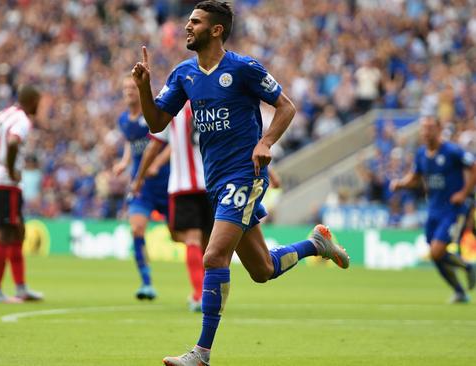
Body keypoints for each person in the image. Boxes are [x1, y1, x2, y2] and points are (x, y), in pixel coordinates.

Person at [130, 2, 350, 364]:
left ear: (216, 30)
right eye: (188, 21)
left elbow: (286, 107)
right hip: (215, 182)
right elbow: (156, 123)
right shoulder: (184, 73)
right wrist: (143, 88)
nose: (187, 27)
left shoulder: (243, 68)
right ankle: (315, 244)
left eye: (195, 22)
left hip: (245, 176)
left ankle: (200, 354)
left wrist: (265, 143)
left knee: (214, 255)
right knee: (262, 269)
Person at [132, 101, 210, 312]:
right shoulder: (213, 102)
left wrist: (139, 178)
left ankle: (199, 294)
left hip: (184, 186)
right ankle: (210, 293)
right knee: (210, 244)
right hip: (213, 184)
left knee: (192, 239)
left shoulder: (171, 110)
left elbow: (154, 146)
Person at [391, 116, 476, 303]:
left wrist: (464, 193)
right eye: (423, 128)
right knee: (434, 255)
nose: (426, 132)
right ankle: (460, 290)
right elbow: (414, 177)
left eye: (430, 128)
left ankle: (468, 267)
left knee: (437, 252)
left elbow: (473, 167)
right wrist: (401, 184)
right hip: (433, 209)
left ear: (438, 129)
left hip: (453, 209)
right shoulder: (421, 154)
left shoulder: (452, 151)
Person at [0, 85, 44, 303]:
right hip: (5, 184)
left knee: (17, 232)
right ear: (33, 102)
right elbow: (14, 142)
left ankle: (21, 288)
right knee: (5, 234)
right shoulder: (22, 120)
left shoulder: (2, 115)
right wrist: (11, 168)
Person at [113, 75, 171, 301]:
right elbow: (131, 145)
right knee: (136, 228)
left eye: (132, 87)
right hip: (142, 186)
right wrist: (124, 162)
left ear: (140, 91)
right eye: (125, 87)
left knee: (180, 234)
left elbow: (171, 144)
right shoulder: (123, 120)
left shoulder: (154, 115)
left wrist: (157, 163)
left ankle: (203, 279)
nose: (128, 91)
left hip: (167, 183)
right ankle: (146, 283)